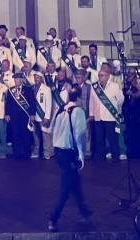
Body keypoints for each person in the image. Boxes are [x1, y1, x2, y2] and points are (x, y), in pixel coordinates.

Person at [48, 86, 92, 231]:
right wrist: (81, 156)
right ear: (79, 98)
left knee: (75, 181)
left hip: (58, 150)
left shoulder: (61, 109)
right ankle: (53, 218)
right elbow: (80, 135)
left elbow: (51, 130)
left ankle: (84, 210)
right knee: (66, 186)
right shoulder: (78, 111)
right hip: (69, 152)